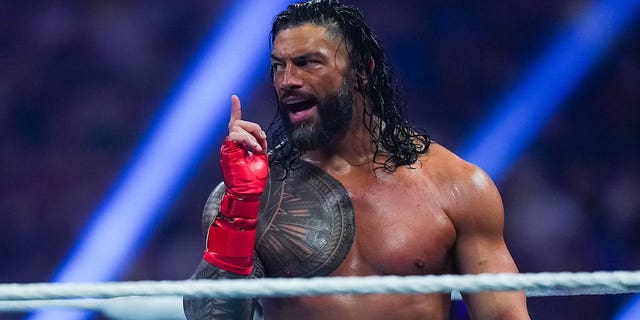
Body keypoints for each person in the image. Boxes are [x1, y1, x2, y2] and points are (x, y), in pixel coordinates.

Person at [184, 0, 530, 319]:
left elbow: (504, 315)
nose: (287, 81)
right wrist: (239, 210)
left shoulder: (454, 185)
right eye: (278, 67)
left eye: (308, 63)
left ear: (362, 71)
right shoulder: (252, 195)